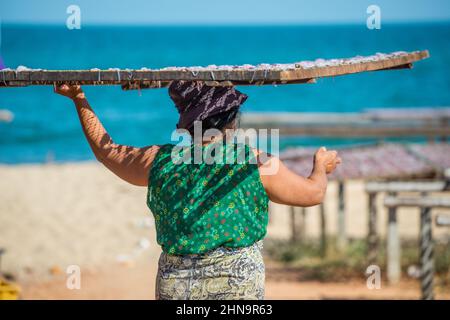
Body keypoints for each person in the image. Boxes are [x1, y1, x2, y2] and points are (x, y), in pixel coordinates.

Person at [54, 81, 341, 300]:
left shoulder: (159, 161)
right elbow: (312, 194)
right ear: (231, 120)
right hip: (238, 285)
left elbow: (108, 151)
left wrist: (79, 99)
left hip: (177, 286)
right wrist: (320, 167)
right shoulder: (254, 161)